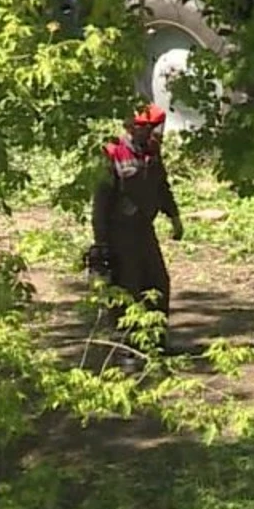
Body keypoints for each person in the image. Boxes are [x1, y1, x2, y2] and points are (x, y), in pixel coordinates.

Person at [86, 104, 185, 345]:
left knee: (158, 282)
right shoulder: (112, 153)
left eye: (154, 127)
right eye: (146, 127)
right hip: (118, 234)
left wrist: (174, 216)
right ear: (130, 127)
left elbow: (162, 187)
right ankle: (126, 347)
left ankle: (157, 341)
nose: (151, 132)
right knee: (127, 287)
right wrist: (101, 242)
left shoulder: (152, 152)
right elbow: (100, 203)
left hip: (144, 230)